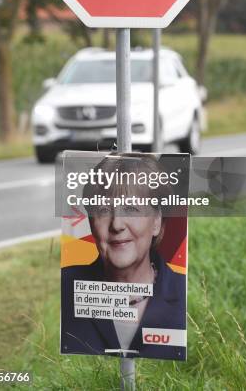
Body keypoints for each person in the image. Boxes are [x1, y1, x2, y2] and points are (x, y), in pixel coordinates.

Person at [61, 154, 186, 360]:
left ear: (156, 221)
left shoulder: (183, 293)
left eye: (131, 209)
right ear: (91, 222)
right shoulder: (66, 286)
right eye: (103, 210)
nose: (117, 224)